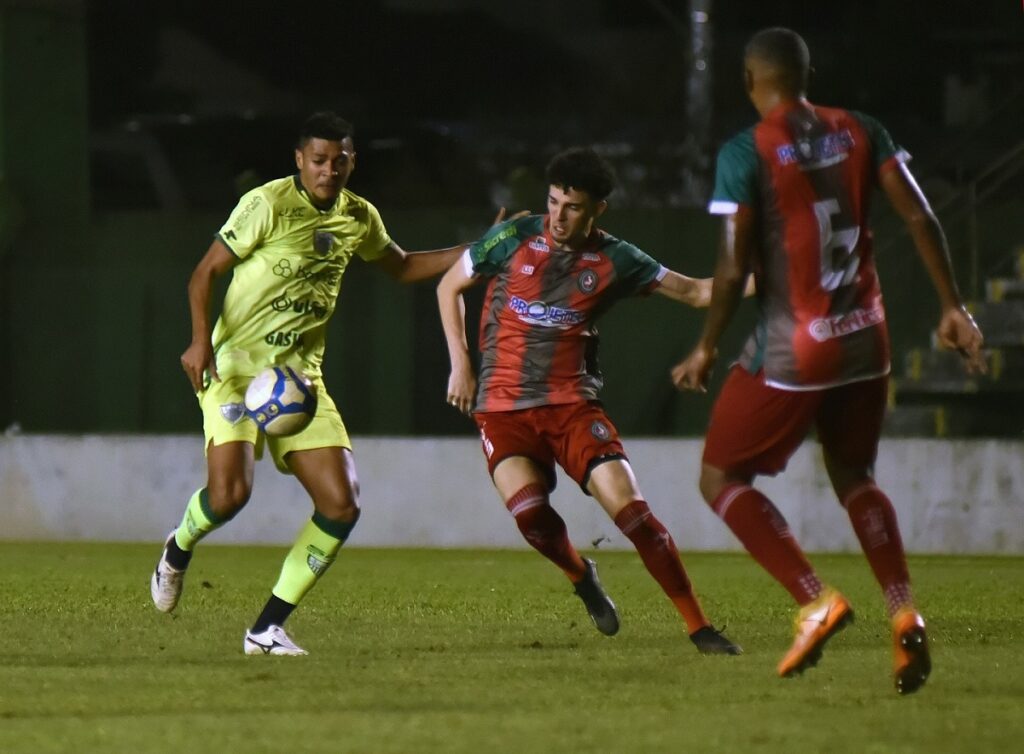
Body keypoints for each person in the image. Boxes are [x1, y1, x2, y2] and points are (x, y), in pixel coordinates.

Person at [671, 27, 986, 694]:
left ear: (750, 82)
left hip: (797, 345)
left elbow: (731, 269)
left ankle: (814, 598)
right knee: (854, 473)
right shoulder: (862, 127)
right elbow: (922, 216)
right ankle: (904, 611)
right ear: (807, 73)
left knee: (720, 476)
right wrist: (953, 307)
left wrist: (705, 344)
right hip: (867, 338)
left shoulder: (745, 150)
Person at [150, 111, 482, 656]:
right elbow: (204, 272)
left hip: (300, 380)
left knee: (341, 503)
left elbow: (401, 268)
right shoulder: (267, 204)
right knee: (230, 495)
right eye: (320, 160)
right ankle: (179, 546)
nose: (329, 170)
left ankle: (266, 629)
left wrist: (478, 252)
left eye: (340, 160)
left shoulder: (359, 216)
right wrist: (198, 341)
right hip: (236, 369)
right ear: (300, 160)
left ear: (353, 161)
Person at [437, 146, 742, 655]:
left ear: (597, 208)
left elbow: (695, 293)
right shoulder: (512, 236)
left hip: (572, 405)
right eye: (553, 202)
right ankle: (582, 574)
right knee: (532, 516)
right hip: (501, 406)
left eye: (572, 207)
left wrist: (776, 281)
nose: (557, 216)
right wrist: (461, 363)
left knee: (634, 514)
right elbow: (450, 286)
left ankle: (699, 627)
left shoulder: (617, 258)